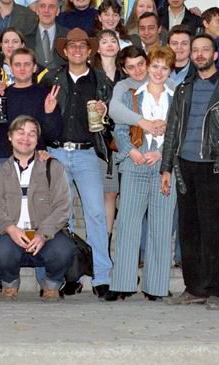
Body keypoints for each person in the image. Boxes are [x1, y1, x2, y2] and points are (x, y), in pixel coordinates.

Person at [161, 33, 219, 311]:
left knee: (214, 232)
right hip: (184, 167)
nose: (199, 54)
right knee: (189, 232)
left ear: (215, 55)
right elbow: (172, 130)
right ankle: (194, 289)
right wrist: (166, 167)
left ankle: (214, 291)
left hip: (215, 166)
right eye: (195, 50)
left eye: (205, 50)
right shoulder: (183, 89)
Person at [41, 28, 114, 297]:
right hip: (57, 152)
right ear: (65, 50)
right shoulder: (51, 78)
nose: (77, 50)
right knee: (63, 217)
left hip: (86, 153)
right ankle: (70, 275)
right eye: (72, 46)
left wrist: (106, 114)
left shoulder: (101, 80)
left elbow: (110, 122)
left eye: (82, 46)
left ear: (89, 50)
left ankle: (102, 277)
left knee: (95, 214)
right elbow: (41, 115)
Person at [106, 46, 177, 302]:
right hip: (134, 164)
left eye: (164, 68)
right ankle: (123, 284)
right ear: (148, 66)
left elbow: (180, 133)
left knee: (161, 226)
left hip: (164, 167)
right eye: (155, 66)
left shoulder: (177, 97)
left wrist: (162, 155)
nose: (158, 72)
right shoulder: (131, 95)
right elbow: (119, 129)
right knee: (128, 224)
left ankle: (155, 286)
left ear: (170, 71)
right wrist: (131, 151)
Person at [0, 116, 75, 301]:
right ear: (10, 136)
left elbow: (62, 207)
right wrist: (10, 229)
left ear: (37, 139)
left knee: (64, 250)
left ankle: (52, 285)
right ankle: (9, 283)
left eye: (32, 134)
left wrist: (42, 234)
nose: (26, 138)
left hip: (44, 235)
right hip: (12, 235)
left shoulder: (53, 167)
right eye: (21, 132)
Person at [0, 48, 63, 167]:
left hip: (35, 157)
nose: (22, 68)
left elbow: (53, 135)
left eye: (27, 64)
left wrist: (49, 113)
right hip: (4, 158)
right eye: (17, 64)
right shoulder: (1, 95)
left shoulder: (46, 96)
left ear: (35, 68)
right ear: (11, 68)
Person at [93, 29, 125, 235]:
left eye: (113, 41)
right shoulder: (90, 74)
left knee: (111, 192)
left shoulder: (126, 75)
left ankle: (106, 240)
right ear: (97, 48)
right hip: (97, 140)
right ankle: (98, 241)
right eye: (104, 41)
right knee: (100, 193)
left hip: (121, 139)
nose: (109, 44)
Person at [25, 0, 69, 72]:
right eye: (42, 6)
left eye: (51, 7)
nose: (46, 10)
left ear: (58, 11)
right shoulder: (25, 35)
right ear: (37, 10)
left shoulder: (67, 36)